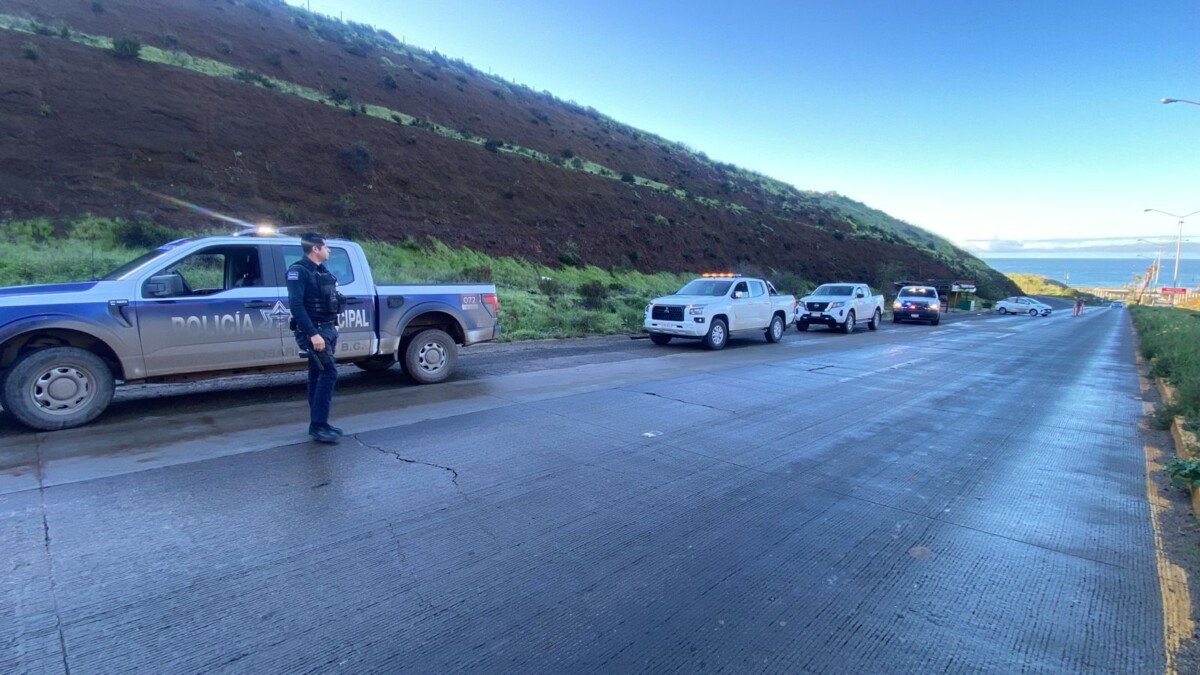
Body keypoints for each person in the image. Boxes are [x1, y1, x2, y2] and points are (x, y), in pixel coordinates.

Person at [287, 232, 345, 443]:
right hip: (313, 333)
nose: (328, 250)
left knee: (316, 375)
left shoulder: (322, 271)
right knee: (329, 373)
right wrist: (313, 334)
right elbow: (296, 305)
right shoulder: (298, 272)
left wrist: (334, 323)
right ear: (315, 248)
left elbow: (330, 298)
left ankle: (319, 423)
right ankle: (318, 425)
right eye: (326, 247)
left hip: (328, 330)